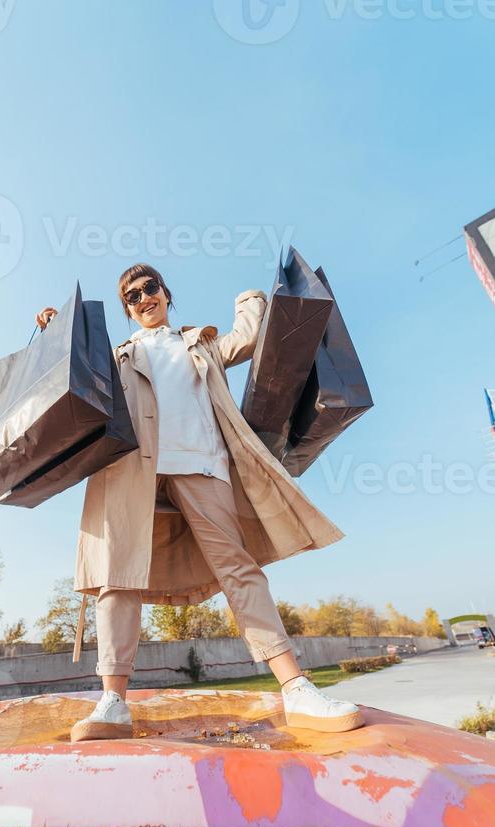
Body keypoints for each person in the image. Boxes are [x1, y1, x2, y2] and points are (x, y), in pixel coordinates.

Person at [36, 265, 363, 742]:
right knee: (115, 577)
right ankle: (113, 702)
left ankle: (296, 689)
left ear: (167, 294)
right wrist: (55, 331)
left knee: (239, 567)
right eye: (132, 296)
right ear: (127, 309)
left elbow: (249, 339)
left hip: (201, 463)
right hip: (130, 469)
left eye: (150, 288)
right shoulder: (119, 355)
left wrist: (249, 296)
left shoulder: (200, 343)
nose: (143, 298)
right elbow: (77, 372)